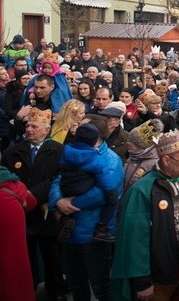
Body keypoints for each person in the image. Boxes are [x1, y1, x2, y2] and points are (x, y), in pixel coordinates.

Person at [111, 130, 179, 301]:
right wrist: (142, 282)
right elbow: (135, 240)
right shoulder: (142, 190)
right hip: (159, 279)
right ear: (165, 160)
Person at [49, 122, 124, 301]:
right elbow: (58, 179)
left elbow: (102, 194)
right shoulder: (74, 154)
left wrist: (70, 203)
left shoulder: (111, 159)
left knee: (101, 286)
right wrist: (57, 201)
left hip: (94, 235)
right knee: (76, 284)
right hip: (71, 232)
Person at [0, 107, 66, 300]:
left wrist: (33, 194)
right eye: (28, 125)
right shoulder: (12, 152)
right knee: (25, 258)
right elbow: (6, 178)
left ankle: (57, 291)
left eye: (34, 126)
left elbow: (59, 177)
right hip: (21, 213)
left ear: (46, 130)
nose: (29, 129)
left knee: (52, 256)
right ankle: (27, 290)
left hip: (48, 212)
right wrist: (21, 195)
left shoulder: (58, 150)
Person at [55, 123, 122, 243]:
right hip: (84, 223)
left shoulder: (65, 150)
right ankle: (102, 228)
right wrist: (62, 203)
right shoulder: (95, 157)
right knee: (112, 199)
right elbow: (104, 187)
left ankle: (64, 219)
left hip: (66, 188)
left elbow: (57, 178)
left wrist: (59, 203)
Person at [0, 165, 38, 301]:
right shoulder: (17, 185)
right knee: (20, 285)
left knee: (1, 288)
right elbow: (32, 202)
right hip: (19, 253)